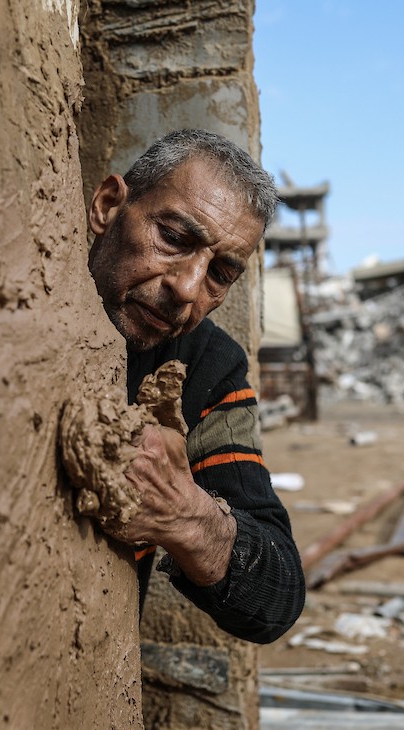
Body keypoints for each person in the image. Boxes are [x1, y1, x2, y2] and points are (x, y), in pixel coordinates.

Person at [86, 129, 305, 644]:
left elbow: (279, 598)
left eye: (220, 273)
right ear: (108, 206)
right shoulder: (11, 302)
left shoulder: (207, 368)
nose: (186, 289)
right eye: (174, 239)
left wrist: (186, 515)